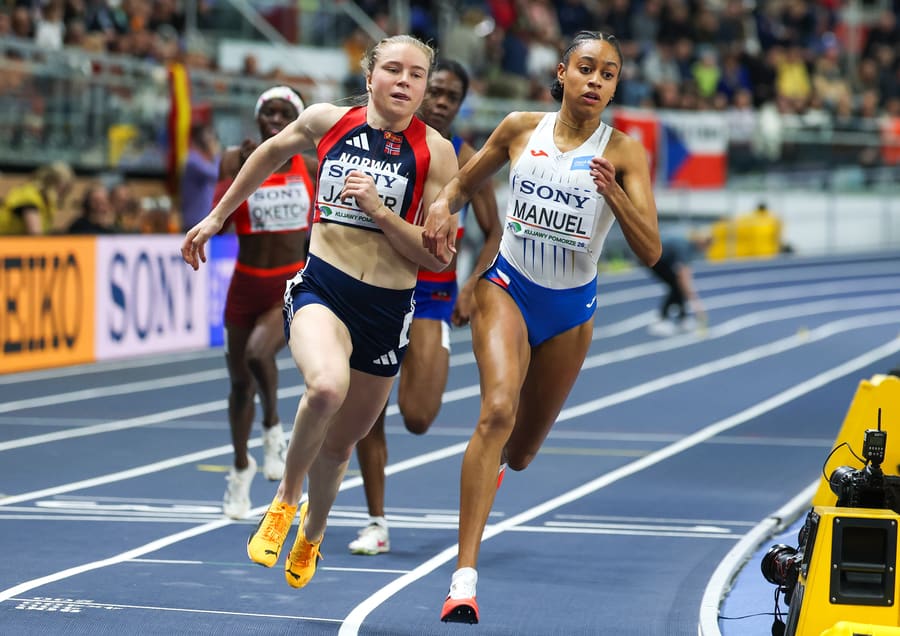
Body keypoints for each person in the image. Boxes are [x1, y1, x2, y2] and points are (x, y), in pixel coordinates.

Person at [182, 35, 458, 589]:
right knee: (325, 389)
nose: (404, 82)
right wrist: (216, 218)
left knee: (338, 447)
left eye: (417, 75)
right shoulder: (329, 119)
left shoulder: (438, 153)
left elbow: (433, 256)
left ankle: (312, 534)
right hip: (323, 287)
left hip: (386, 309)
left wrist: (379, 209)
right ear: (370, 73)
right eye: (393, 70)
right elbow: (268, 153)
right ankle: (284, 500)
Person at [422, 31, 662, 624]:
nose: (595, 81)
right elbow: (462, 184)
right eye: (585, 69)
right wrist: (439, 209)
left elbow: (651, 249)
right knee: (496, 411)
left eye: (608, 74)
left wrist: (615, 194)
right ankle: (464, 579)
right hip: (507, 287)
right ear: (561, 73)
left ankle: (497, 472)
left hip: (570, 310)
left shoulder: (626, 155)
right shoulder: (518, 129)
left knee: (522, 452)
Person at [348, 59, 502, 556]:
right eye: (432, 89)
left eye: (450, 96)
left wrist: (472, 288)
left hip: (433, 298)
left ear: (459, 104)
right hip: (375, 289)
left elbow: (495, 230)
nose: (438, 101)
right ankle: (376, 521)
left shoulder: (466, 155)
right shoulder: (381, 139)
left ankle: (431, 356)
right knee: (367, 414)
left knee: (416, 416)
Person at [213, 85, 314, 520]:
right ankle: (240, 471)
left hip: (287, 283)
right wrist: (239, 173)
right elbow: (218, 222)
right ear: (257, 118)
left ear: (298, 120)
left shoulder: (311, 164)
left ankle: (274, 428)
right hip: (245, 283)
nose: (274, 120)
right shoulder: (236, 159)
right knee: (238, 385)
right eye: (268, 112)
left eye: (284, 113)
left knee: (258, 354)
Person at [646, 231, 711, 336]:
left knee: (679, 287)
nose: (705, 250)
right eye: (706, 247)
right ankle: (660, 319)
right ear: (701, 243)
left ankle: (683, 318)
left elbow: (686, 273)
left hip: (660, 259)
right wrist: (696, 304)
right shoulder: (685, 247)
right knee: (676, 287)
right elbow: (684, 276)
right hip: (654, 259)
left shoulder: (690, 246)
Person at [0, 161, 74, 235]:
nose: (64, 195)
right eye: (64, 189)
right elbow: (35, 234)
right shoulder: (30, 196)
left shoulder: (46, 202)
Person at [180, 120, 221, 232]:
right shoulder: (192, 160)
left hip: (206, 220)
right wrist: (216, 154)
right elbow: (217, 174)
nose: (212, 141)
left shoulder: (206, 160)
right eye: (209, 139)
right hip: (194, 221)